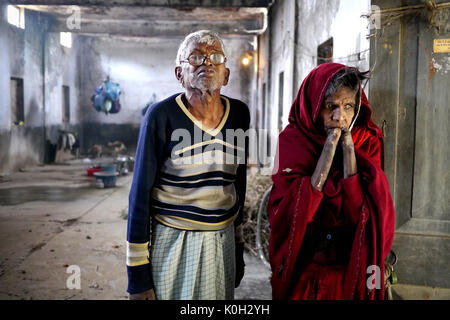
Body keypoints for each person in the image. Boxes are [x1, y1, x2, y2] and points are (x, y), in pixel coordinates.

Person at [126, 30, 249, 300]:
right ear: (179, 74)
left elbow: (238, 183)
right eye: (195, 57)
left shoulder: (240, 114)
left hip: (223, 239)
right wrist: (137, 274)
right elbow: (139, 196)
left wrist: (238, 247)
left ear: (226, 74)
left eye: (215, 57)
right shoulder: (160, 116)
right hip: (174, 241)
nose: (206, 62)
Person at [267, 62, 395, 300]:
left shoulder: (367, 141)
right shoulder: (294, 141)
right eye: (330, 107)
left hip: (349, 271)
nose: (340, 117)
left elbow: (363, 214)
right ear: (314, 107)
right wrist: (328, 149)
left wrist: (348, 150)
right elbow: (292, 212)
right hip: (304, 269)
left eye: (348, 106)